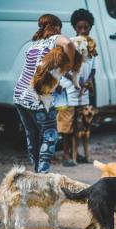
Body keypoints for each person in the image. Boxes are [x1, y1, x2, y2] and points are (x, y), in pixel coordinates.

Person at [13, 14, 75, 173]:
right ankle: (43, 176)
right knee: (50, 135)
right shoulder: (54, 39)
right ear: (56, 27)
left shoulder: (33, 44)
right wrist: (70, 63)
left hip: (20, 95)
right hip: (38, 97)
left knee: (32, 136)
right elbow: (68, 43)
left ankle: (36, 173)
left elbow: (40, 69)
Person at [54, 8, 97, 166]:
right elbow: (62, 69)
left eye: (86, 27)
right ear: (74, 27)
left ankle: (77, 155)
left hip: (83, 91)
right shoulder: (69, 44)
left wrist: (88, 81)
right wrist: (74, 82)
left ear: (90, 27)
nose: (83, 30)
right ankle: (66, 156)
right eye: (80, 27)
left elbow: (93, 69)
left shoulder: (92, 46)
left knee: (80, 124)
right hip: (68, 90)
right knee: (67, 125)